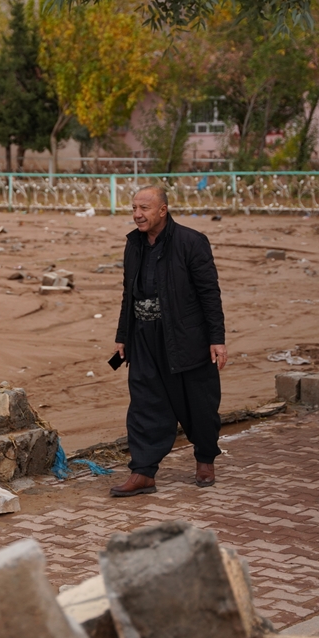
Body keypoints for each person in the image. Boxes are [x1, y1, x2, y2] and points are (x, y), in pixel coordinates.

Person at [111, 185, 227, 497]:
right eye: (135, 208)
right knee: (145, 402)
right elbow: (128, 293)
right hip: (144, 338)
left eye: (144, 208)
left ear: (163, 210)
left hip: (186, 336)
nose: (137, 214)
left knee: (198, 403)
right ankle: (143, 472)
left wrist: (217, 338)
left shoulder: (191, 242)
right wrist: (123, 336)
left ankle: (205, 458)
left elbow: (209, 293)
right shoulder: (133, 244)